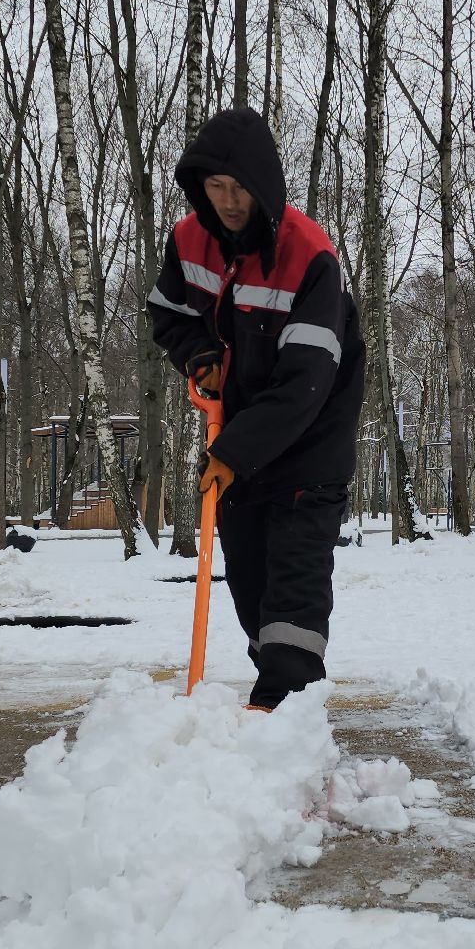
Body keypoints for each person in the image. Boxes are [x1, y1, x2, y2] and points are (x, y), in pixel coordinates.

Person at [147, 106, 365, 712]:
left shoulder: (310, 257)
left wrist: (232, 453)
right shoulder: (189, 239)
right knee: (248, 583)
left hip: (309, 449)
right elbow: (168, 313)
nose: (229, 200)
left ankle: (283, 708)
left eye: (240, 187)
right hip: (241, 442)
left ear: (264, 184)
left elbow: (305, 383)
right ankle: (272, 699)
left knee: (292, 590)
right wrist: (199, 357)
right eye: (216, 188)